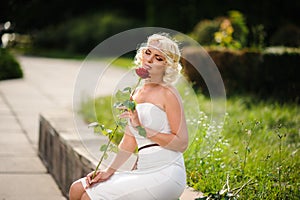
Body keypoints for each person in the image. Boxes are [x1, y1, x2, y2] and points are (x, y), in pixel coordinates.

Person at [69, 33, 189, 200]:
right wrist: (108, 171)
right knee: (76, 189)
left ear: (167, 65)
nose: (149, 60)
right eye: (148, 53)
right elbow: (129, 141)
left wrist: (142, 128)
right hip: (142, 171)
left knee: (88, 197)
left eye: (158, 58)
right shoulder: (135, 94)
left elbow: (181, 143)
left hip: (166, 173)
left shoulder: (168, 93)